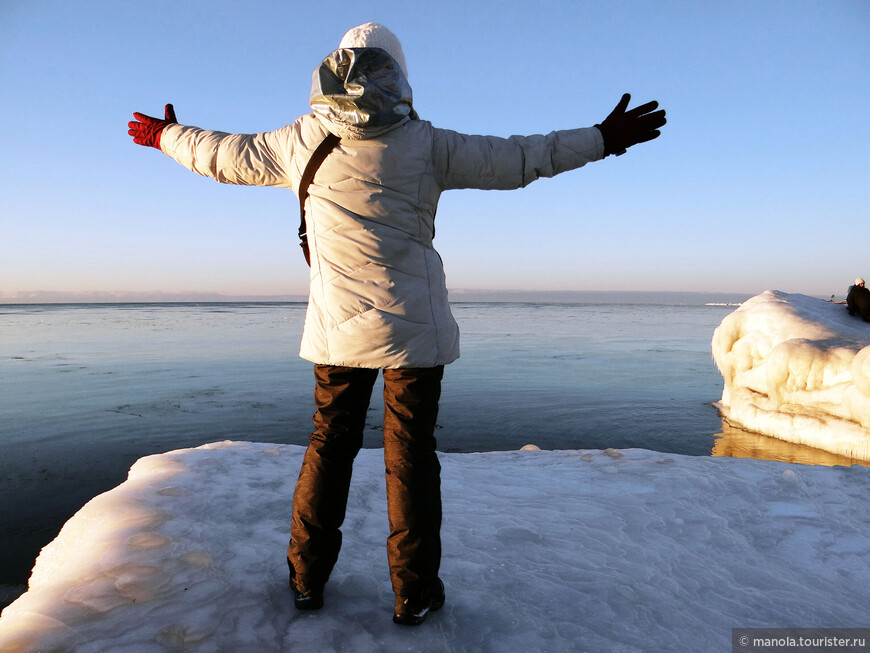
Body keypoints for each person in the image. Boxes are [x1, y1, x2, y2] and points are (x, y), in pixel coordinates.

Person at [127, 22, 666, 625]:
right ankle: (414, 592)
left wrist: (165, 134)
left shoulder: (300, 141)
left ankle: (306, 580)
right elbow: (521, 157)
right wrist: (601, 137)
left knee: (329, 445)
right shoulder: (426, 144)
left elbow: (221, 154)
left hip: (337, 332)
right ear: (398, 75)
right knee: (408, 455)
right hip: (416, 331)